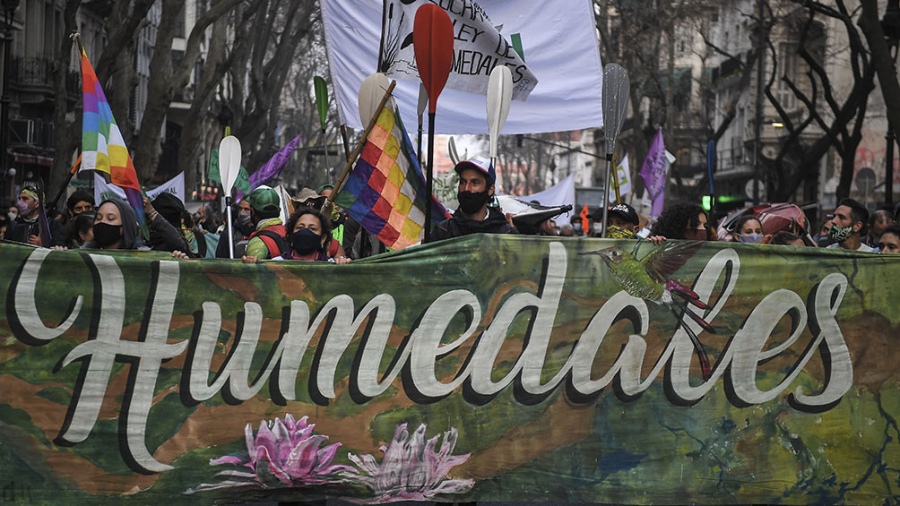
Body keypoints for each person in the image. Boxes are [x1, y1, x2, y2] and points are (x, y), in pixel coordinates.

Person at [430, 158, 516, 241]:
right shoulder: (443, 231)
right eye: (463, 182)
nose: (466, 188)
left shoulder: (505, 234)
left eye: (475, 183)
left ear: (490, 190)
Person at [243, 207, 351, 264]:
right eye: (300, 227)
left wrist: (344, 267)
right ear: (291, 234)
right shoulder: (275, 264)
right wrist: (251, 267)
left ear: (323, 239)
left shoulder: (332, 266)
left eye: (312, 228)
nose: (305, 232)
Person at [243, 186, 288, 260]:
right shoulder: (290, 233)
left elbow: (252, 267)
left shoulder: (258, 243)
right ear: (279, 211)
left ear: (252, 212)